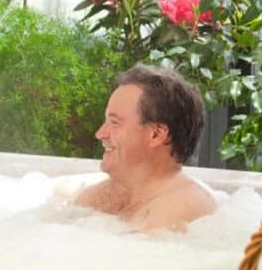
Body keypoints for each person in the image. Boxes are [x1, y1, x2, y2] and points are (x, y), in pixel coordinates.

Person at [74, 64, 216, 232]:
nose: (100, 134)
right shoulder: (97, 196)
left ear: (156, 134)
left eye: (114, 123)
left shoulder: (182, 206)